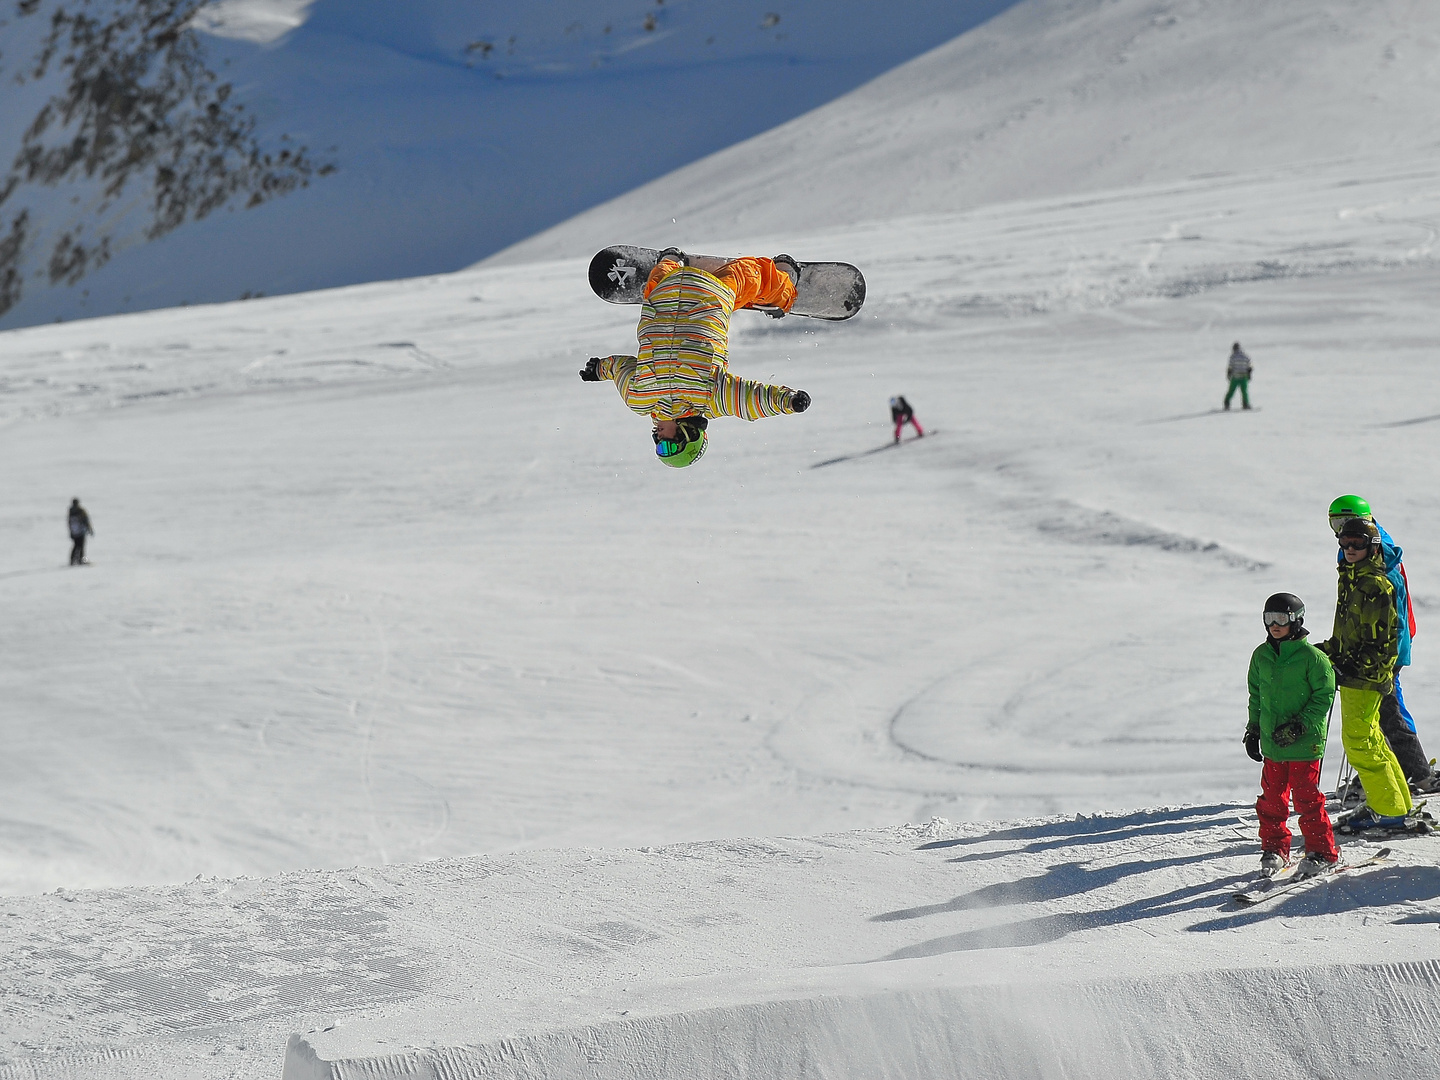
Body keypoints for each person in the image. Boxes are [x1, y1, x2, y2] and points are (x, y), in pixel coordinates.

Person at [580, 250, 811, 468]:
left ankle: (672, 259)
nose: (658, 440)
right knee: (749, 275)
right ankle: (784, 281)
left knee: (661, 279)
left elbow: (621, 368)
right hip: (709, 295)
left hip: (663, 295)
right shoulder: (709, 399)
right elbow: (750, 400)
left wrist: (600, 369)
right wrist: (788, 402)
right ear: (688, 435)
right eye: (668, 445)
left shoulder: (639, 400)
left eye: (659, 447)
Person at [1327, 494, 1438, 792]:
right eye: (1335, 522)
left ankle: (1416, 772)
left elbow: (1390, 608)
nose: (1341, 530)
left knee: (1387, 706)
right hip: (1373, 644)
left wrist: (1387, 651)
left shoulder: (1378, 553)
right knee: (1377, 709)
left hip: (1382, 646)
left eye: (1345, 521)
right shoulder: (1358, 543)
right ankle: (1389, 771)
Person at [1316, 516, 1413, 828]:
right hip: (1358, 671)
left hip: (1365, 676)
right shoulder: (1352, 577)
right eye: (1344, 542)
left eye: (1357, 543)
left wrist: (1351, 665)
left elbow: (1382, 640)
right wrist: (1326, 650)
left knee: (1359, 742)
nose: (1349, 548)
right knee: (1371, 739)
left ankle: (1389, 812)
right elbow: (1350, 632)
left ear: (1372, 547)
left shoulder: (1373, 583)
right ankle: (1396, 805)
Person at [1244, 592, 1338, 876]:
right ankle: (1275, 849)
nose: (1274, 625)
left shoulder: (1313, 658)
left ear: (1296, 621)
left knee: (1307, 800)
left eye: (1281, 619)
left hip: (1304, 743)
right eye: (1269, 618)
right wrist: (1253, 729)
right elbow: (1256, 695)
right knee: (1272, 800)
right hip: (1274, 744)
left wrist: (1301, 724)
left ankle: (1322, 851)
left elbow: (1324, 697)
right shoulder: (1261, 655)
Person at [1224, 342, 1252, 410]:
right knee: (1244, 391)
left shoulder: (1232, 356)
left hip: (1235, 377)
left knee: (1231, 391)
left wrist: (1228, 374)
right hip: (1244, 377)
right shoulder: (1246, 356)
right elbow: (1249, 367)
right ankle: (1246, 404)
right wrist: (1249, 374)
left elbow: (1230, 367)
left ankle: (1226, 403)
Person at [67, 498, 93, 565]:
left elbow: (69, 522)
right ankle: (81, 560)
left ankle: (72, 560)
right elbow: (86, 520)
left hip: (74, 531)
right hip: (81, 531)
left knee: (76, 546)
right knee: (81, 546)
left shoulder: (71, 511)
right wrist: (89, 528)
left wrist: (71, 532)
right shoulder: (81, 511)